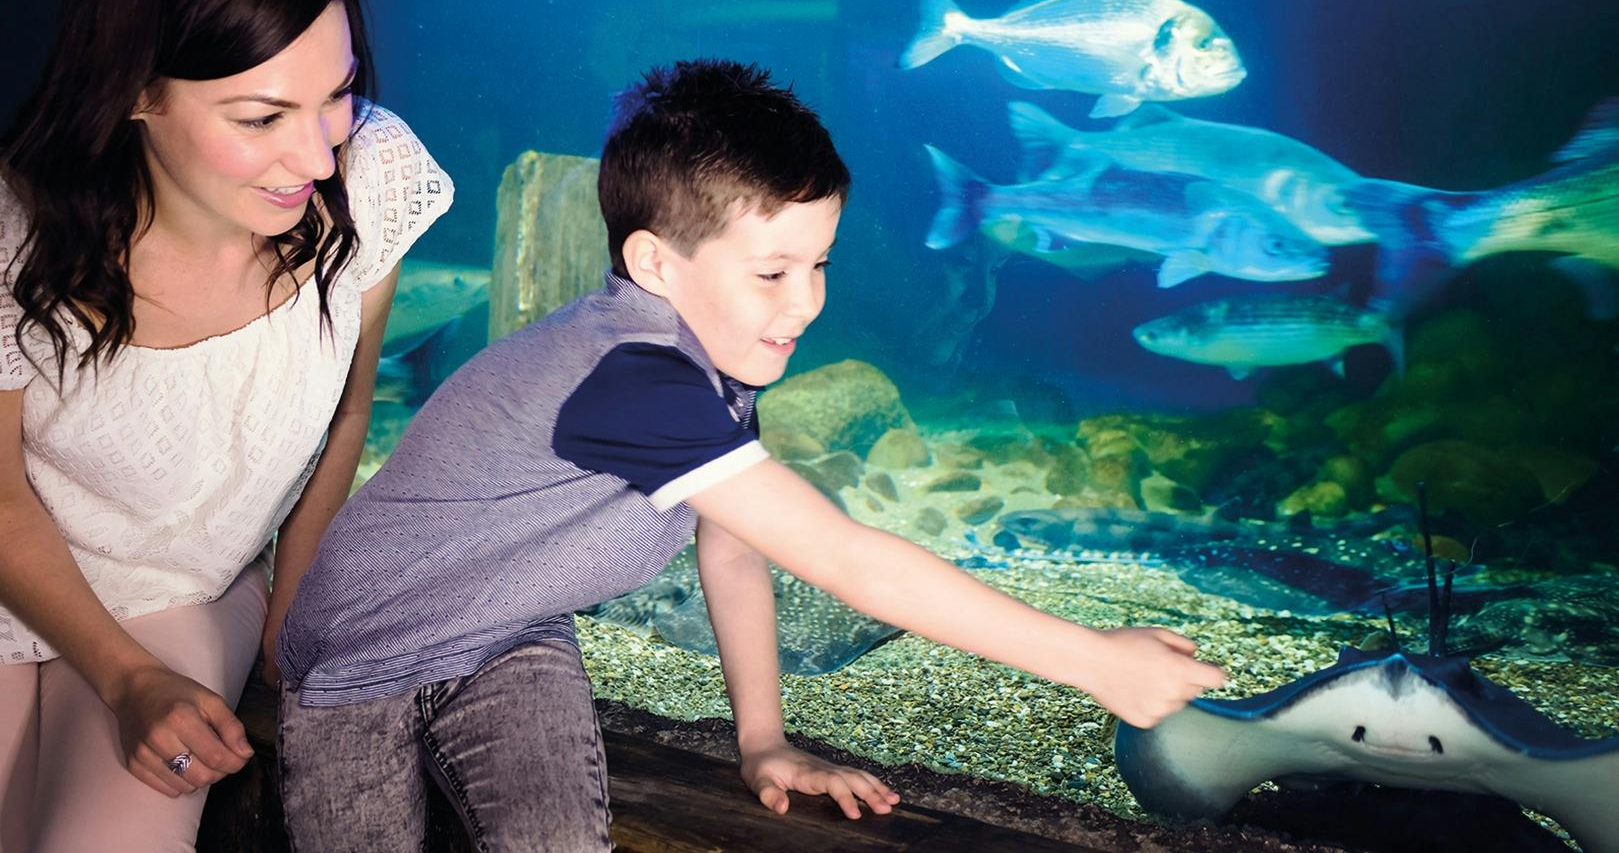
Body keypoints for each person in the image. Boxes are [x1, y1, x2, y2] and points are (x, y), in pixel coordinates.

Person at [276, 58, 1225, 851]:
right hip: (360, 656)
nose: (805, 302)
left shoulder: (706, 364)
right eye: (771, 272)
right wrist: (1093, 660)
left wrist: (762, 740)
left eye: (818, 263)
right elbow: (848, 559)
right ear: (655, 264)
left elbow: (732, 544)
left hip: (513, 631)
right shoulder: (631, 378)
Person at [0, 0, 453, 851]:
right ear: (132, 93)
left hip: (180, 595)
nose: (321, 157)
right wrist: (118, 679)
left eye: (336, 94)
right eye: (261, 118)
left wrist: (296, 610)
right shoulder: (12, 231)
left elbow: (345, 415)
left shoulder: (373, 178)